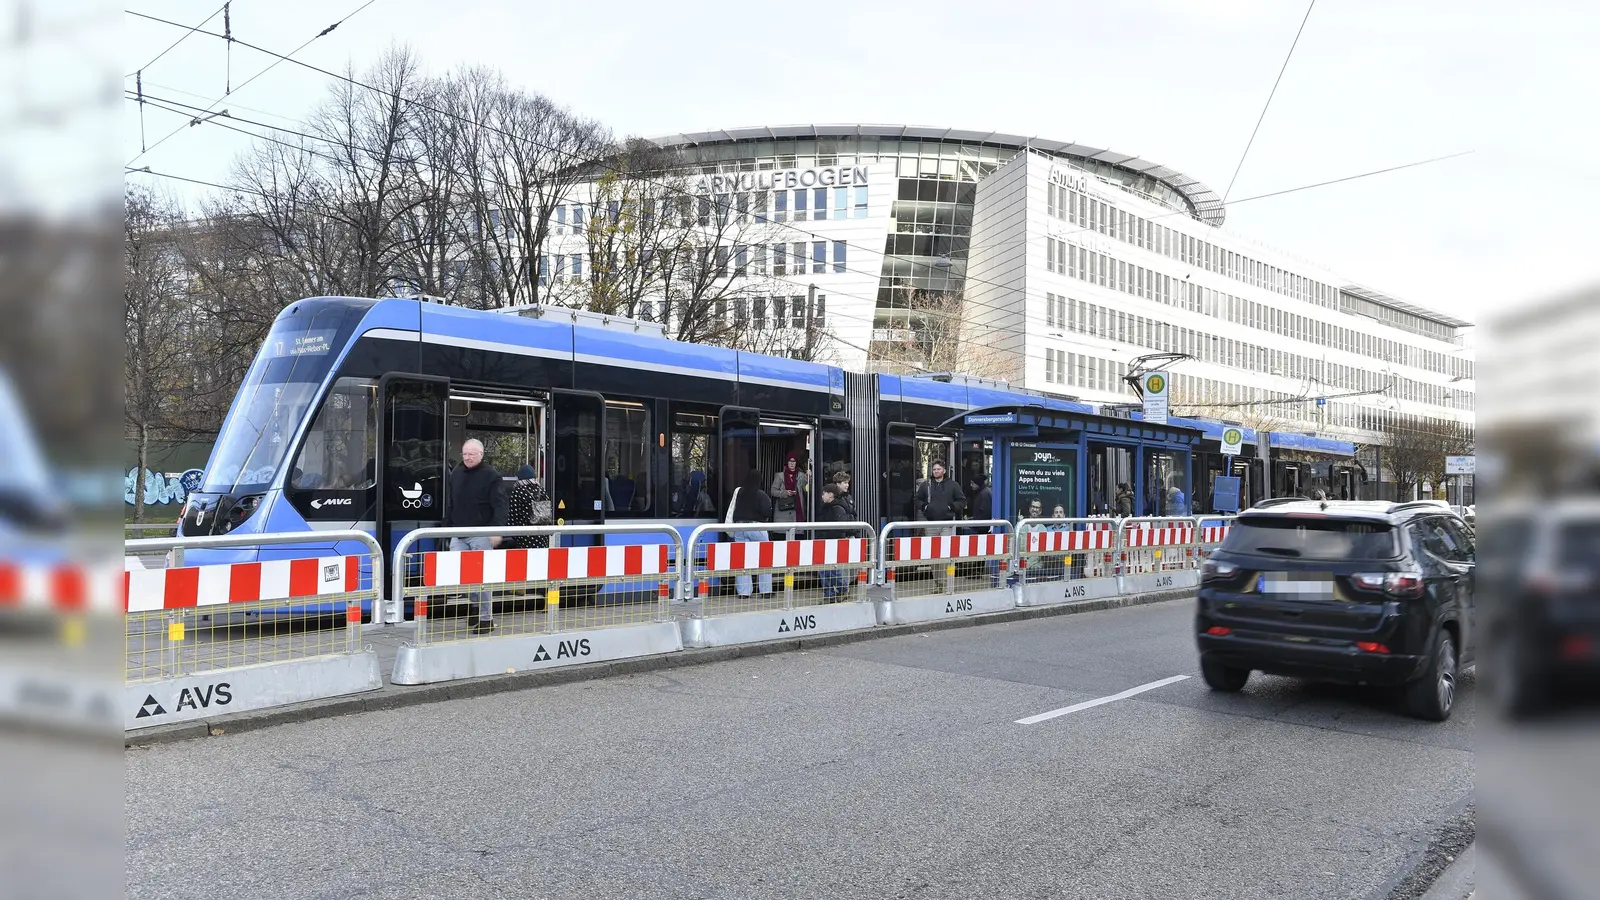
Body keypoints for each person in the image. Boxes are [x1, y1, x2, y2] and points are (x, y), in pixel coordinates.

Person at [443, 439, 506, 634]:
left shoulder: (492, 476)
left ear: (481, 454)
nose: (468, 457)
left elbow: (500, 505)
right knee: (464, 576)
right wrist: (446, 529)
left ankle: (486, 618)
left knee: (482, 577)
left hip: (480, 533)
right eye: (465, 454)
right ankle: (475, 607)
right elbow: (452, 502)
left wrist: (496, 531)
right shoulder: (456, 474)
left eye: (472, 454)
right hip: (458, 533)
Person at [726, 470, 774, 597]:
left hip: (740, 527)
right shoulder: (761, 495)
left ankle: (744, 592)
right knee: (764, 558)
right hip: (756, 527)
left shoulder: (740, 492)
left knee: (742, 560)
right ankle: (765, 591)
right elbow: (767, 512)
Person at [504, 464, 551, 551]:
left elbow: (512, 516)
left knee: (527, 562)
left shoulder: (518, 491)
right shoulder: (542, 490)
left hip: (525, 536)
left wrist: (515, 536)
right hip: (543, 535)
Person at [817, 483, 851, 600]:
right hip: (824, 541)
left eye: (824, 493)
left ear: (830, 495)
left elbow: (840, 528)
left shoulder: (837, 508)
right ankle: (829, 594)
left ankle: (843, 588)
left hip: (833, 542)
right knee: (824, 570)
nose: (822, 496)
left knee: (833, 570)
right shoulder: (826, 507)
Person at [914, 459, 966, 525]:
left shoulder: (953, 485)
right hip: (930, 523)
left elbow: (962, 501)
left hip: (947, 523)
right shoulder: (925, 485)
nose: (936, 471)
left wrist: (952, 507)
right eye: (934, 469)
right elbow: (917, 499)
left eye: (938, 469)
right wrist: (925, 506)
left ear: (944, 471)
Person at [771, 452, 808, 525]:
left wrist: (808, 479)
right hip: (783, 511)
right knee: (783, 534)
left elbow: (806, 489)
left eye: (794, 461)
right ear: (787, 462)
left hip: (796, 510)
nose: (792, 463)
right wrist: (785, 493)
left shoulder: (802, 475)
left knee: (797, 534)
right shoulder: (779, 476)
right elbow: (773, 491)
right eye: (790, 461)